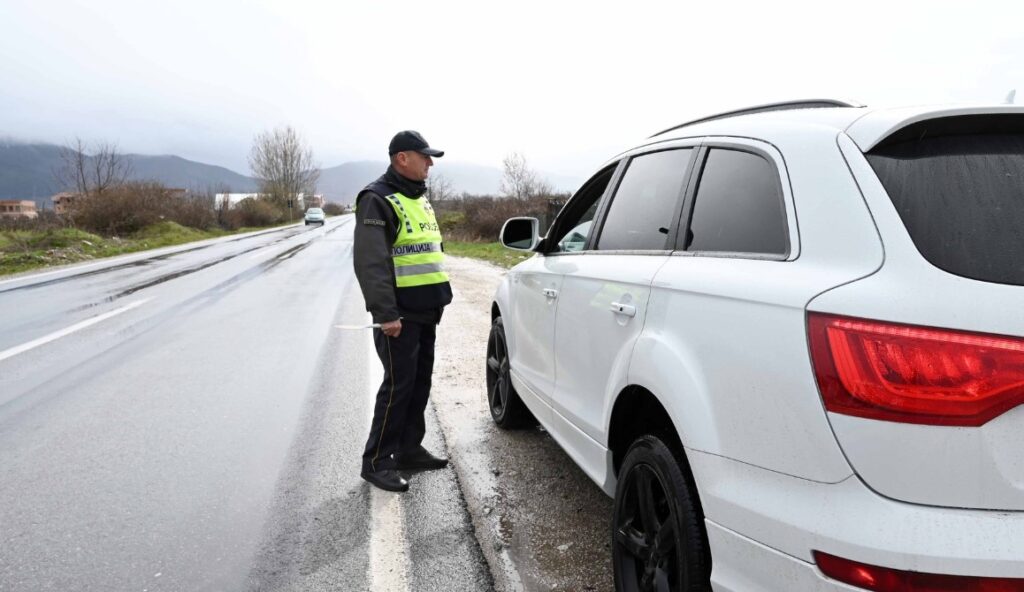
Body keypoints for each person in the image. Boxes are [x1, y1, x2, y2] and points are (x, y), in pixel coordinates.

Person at [352, 130, 453, 492]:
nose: (430, 163)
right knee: (398, 388)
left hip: (426, 310)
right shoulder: (377, 199)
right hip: (400, 317)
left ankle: (408, 449)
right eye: (424, 156)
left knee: (419, 383)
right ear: (401, 159)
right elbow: (371, 263)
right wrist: (385, 314)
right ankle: (377, 461)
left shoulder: (418, 197)